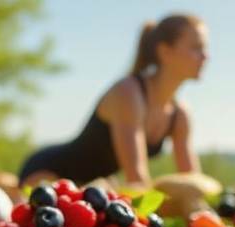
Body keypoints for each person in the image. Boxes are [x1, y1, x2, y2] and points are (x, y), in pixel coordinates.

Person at [19, 14, 208, 188]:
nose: (205, 55)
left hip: (91, 191)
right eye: (196, 48)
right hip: (49, 174)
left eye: (205, 48)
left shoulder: (180, 114)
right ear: (165, 51)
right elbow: (137, 179)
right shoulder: (129, 92)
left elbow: (193, 183)